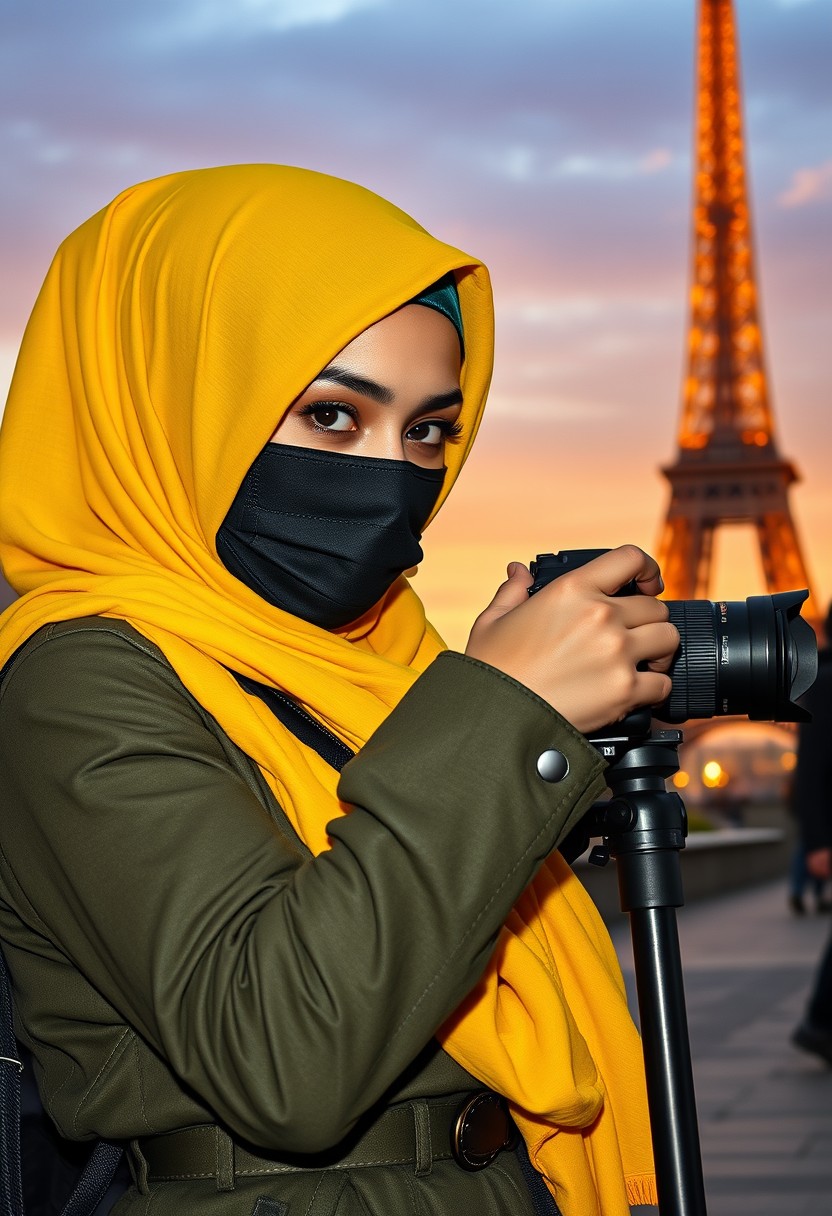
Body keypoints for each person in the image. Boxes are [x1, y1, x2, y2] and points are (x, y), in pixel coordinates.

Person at [0, 165, 677, 1215]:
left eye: (426, 430)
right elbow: (284, 1055)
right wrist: (505, 720)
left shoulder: (381, 663)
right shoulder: (78, 675)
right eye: (329, 415)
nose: (391, 476)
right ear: (167, 403)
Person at [791, 603, 832, 1064]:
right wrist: (818, 841)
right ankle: (819, 1022)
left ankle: (819, 1023)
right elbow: (813, 767)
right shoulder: (826, 683)